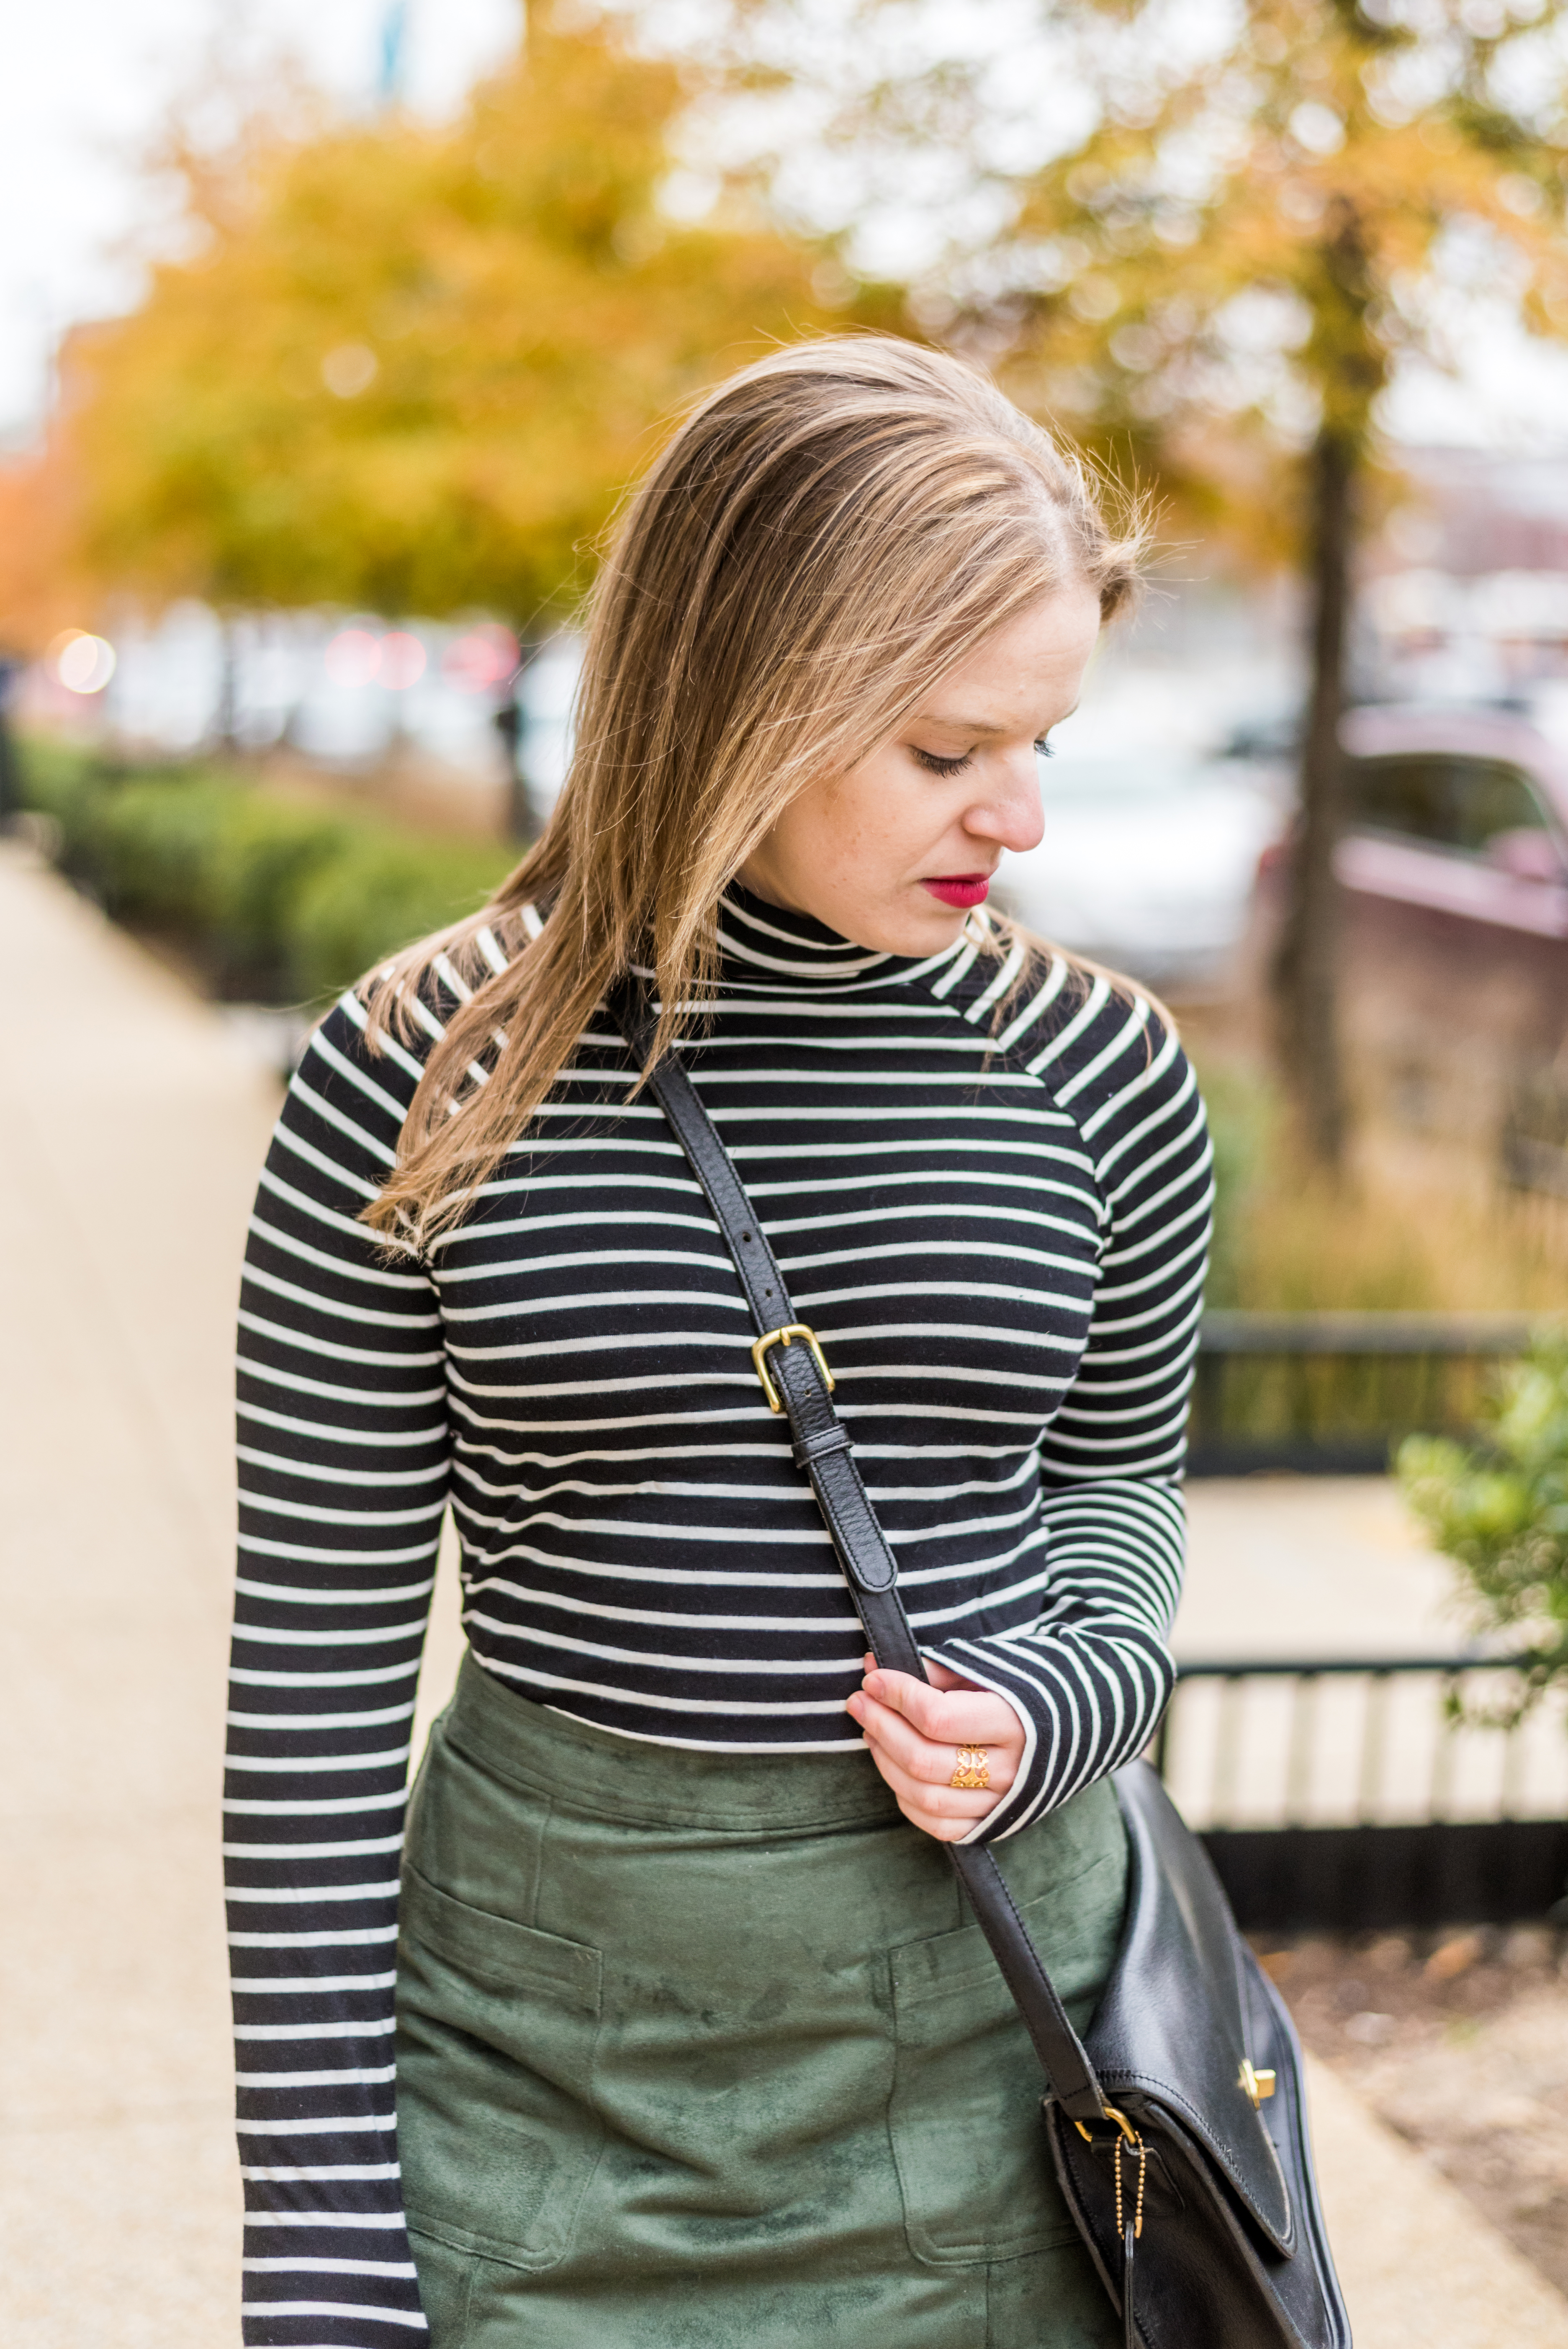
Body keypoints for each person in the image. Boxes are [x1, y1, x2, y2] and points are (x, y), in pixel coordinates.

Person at [226, 334, 1211, 2349]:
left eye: (1046, 742)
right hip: (545, 2087)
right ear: (749, 696)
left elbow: (1117, 1487)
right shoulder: (417, 1077)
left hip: (1005, 2066)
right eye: (946, 752)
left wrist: (1064, 1701)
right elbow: (313, 1682)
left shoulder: (1102, 1072)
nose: (1014, 816)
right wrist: (324, 2234)